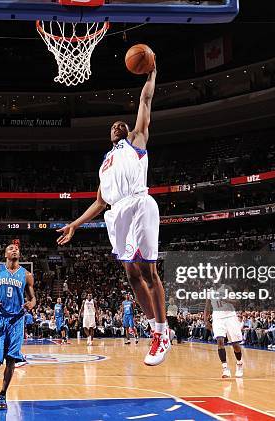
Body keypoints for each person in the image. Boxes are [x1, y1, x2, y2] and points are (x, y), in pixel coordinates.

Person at [57, 63, 171, 366]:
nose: (117, 125)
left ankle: (163, 331)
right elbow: (99, 202)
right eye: (113, 125)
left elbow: (145, 101)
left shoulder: (136, 140)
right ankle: (153, 327)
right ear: (109, 136)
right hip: (117, 213)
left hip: (139, 203)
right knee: (131, 275)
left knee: (148, 271)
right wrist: (75, 224)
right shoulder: (105, 163)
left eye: (121, 123)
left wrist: (152, 75)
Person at [0, 241, 36, 410]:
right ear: (5, 254)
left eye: (17, 249)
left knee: (11, 359)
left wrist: (31, 304)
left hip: (17, 320)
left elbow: (33, 298)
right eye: (11, 249)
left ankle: (2, 394)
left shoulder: (27, 275)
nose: (14, 250)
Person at [204, 287, 244, 378]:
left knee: (235, 344)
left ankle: (239, 363)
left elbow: (237, 302)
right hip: (218, 318)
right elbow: (207, 307)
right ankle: (225, 368)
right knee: (220, 341)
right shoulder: (209, 291)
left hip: (230, 316)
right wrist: (206, 320)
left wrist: (227, 299)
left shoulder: (227, 288)